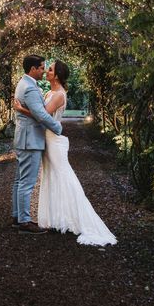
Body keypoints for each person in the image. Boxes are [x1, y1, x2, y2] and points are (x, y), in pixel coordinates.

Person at [14, 60, 117, 246]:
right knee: (50, 177)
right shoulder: (48, 91)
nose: (46, 71)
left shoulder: (59, 94)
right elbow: (40, 113)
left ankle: (75, 215)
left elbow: (42, 115)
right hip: (46, 138)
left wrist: (21, 109)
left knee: (62, 176)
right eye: (45, 68)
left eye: (50, 69)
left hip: (53, 140)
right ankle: (55, 217)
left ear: (58, 75)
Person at [11, 55, 63, 234]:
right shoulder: (31, 88)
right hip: (30, 140)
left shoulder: (23, 83)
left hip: (23, 138)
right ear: (33, 69)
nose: (43, 70)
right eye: (41, 68)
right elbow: (40, 115)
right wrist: (57, 127)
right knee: (27, 182)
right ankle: (24, 222)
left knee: (19, 181)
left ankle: (17, 217)